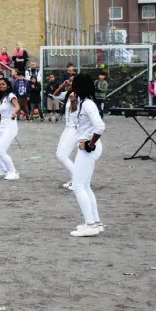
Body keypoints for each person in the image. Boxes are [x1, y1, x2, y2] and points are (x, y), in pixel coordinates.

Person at [69, 73, 106, 237]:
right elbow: (73, 121)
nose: (72, 87)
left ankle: (90, 224)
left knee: (78, 186)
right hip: (85, 146)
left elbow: (100, 126)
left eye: (74, 85)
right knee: (84, 186)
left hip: (88, 147)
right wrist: (71, 102)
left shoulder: (88, 104)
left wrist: (90, 144)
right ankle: (95, 222)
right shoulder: (82, 103)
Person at [0, 78, 20, 180]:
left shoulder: (11, 95)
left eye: (3, 84)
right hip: (2, 126)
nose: (1, 86)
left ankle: (13, 172)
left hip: (10, 126)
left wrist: (14, 112)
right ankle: (3, 169)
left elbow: (17, 106)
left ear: (8, 85)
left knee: (1, 150)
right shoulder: (0, 100)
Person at [53, 77, 78, 190]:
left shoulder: (79, 95)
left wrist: (73, 100)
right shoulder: (69, 93)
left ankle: (78, 180)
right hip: (67, 127)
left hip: (75, 128)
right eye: (69, 80)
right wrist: (63, 85)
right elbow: (55, 95)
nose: (69, 82)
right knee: (59, 154)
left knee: (63, 156)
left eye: (72, 81)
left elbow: (75, 112)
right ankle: (74, 179)